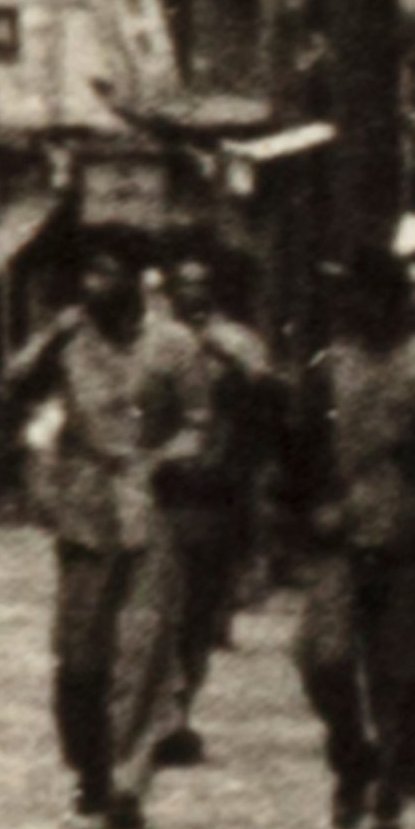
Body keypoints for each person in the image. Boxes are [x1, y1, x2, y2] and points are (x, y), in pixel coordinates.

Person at [0, 226, 200, 829]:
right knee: (80, 657)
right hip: (84, 508)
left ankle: (129, 782)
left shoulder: (175, 345)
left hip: (151, 505)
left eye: (106, 273)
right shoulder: (67, 340)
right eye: (87, 274)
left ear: (136, 280)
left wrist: (166, 461)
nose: (93, 287)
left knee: (142, 648)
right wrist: (49, 343)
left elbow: (198, 424)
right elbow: (11, 391)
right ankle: (90, 767)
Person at [291, 245, 415, 829]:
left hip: (406, 536)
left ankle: (389, 789)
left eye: (361, 295)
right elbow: (304, 450)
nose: (350, 307)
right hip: (339, 535)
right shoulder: (328, 366)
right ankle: (350, 753)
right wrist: (310, 508)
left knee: (398, 672)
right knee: (322, 659)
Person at [150, 244, 277, 770]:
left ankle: (180, 706)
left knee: (199, 610)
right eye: (184, 282)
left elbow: (268, 402)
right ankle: (158, 709)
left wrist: (237, 367)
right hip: (162, 487)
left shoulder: (238, 343)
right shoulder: (152, 340)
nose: (192, 293)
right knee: (156, 607)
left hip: (217, 489)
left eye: (201, 283)